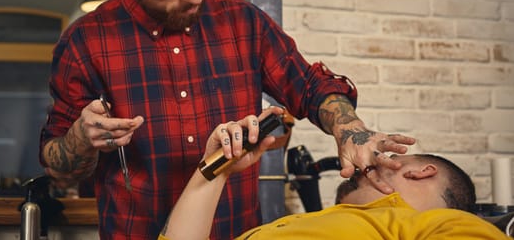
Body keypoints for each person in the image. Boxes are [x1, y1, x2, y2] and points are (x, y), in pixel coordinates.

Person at [39, 0, 415, 239]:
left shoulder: (243, 23)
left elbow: (310, 86)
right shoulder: (84, 42)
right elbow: (59, 167)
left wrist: (350, 131)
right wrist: (80, 139)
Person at [161, 107, 509, 240]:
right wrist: (218, 168)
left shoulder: (420, 224)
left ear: (419, 173)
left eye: (389, 157)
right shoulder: (324, 222)